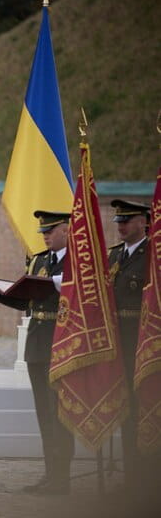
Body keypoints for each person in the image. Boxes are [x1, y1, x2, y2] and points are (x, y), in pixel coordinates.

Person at [0, 210, 73, 495]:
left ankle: (63, 476)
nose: (45, 236)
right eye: (43, 232)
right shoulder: (39, 260)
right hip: (37, 344)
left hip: (63, 343)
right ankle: (51, 473)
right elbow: (26, 303)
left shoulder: (79, 262)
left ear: (66, 229)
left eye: (50, 230)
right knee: (44, 412)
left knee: (60, 412)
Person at [107, 199, 150, 490]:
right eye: (118, 221)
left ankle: (145, 478)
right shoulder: (114, 257)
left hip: (144, 344)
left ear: (144, 222)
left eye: (127, 220)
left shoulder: (153, 256)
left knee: (145, 409)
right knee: (125, 409)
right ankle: (131, 477)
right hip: (117, 345)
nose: (121, 226)